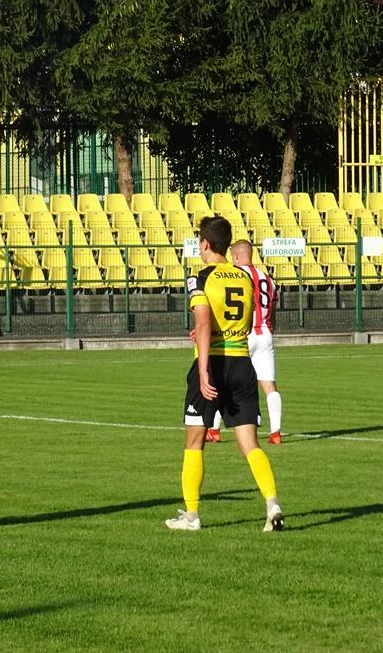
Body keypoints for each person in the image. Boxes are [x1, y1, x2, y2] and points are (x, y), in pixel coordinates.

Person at [166, 216, 284, 532]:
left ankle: (191, 516)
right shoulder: (244, 278)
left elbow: (205, 322)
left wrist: (203, 370)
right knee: (249, 442)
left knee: (195, 440)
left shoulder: (200, 278)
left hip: (214, 363)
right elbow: (237, 321)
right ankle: (272, 503)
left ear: (205, 244)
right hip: (243, 362)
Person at [206, 239, 284, 445]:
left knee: (224, 380)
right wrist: (269, 327)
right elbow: (273, 308)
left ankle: (214, 430)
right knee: (269, 384)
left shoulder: (236, 275)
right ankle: (276, 432)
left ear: (238, 256)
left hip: (242, 334)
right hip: (266, 334)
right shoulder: (267, 278)